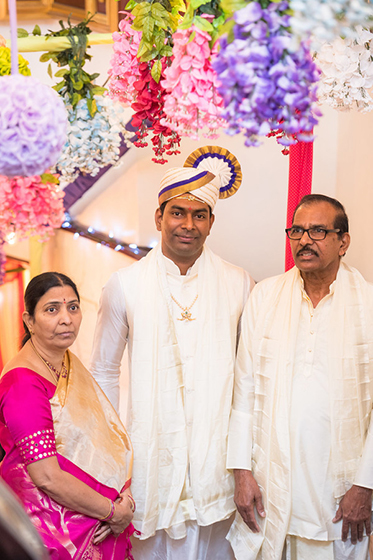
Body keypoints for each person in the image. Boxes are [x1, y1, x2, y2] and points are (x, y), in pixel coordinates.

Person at [90, 146, 255, 559]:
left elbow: (250, 379)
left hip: (216, 464)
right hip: (150, 462)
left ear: (212, 222)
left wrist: (246, 464)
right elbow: (103, 373)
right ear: (159, 217)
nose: (188, 224)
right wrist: (111, 463)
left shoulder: (239, 283)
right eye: (177, 212)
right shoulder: (124, 285)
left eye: (199, 215)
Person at [227, 194, 373, 560]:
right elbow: (243, 392)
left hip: (340, 496)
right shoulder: (265, 296)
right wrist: (241, 473)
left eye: (318, 231)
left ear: (344, 241)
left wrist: (365, 486)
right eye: (297, 231)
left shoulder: (368, 305)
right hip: (271, 484)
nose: (304, 240)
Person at [0, 272, 136, 560]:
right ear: (29, 321)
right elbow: (46, 476)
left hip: (88, 508)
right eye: (52, 309)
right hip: (46, 524)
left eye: (73, 307)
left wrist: (121, 500)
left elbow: (99, 442)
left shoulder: (66, 365)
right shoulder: (23, 383)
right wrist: (112, 511)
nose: (67, 318)